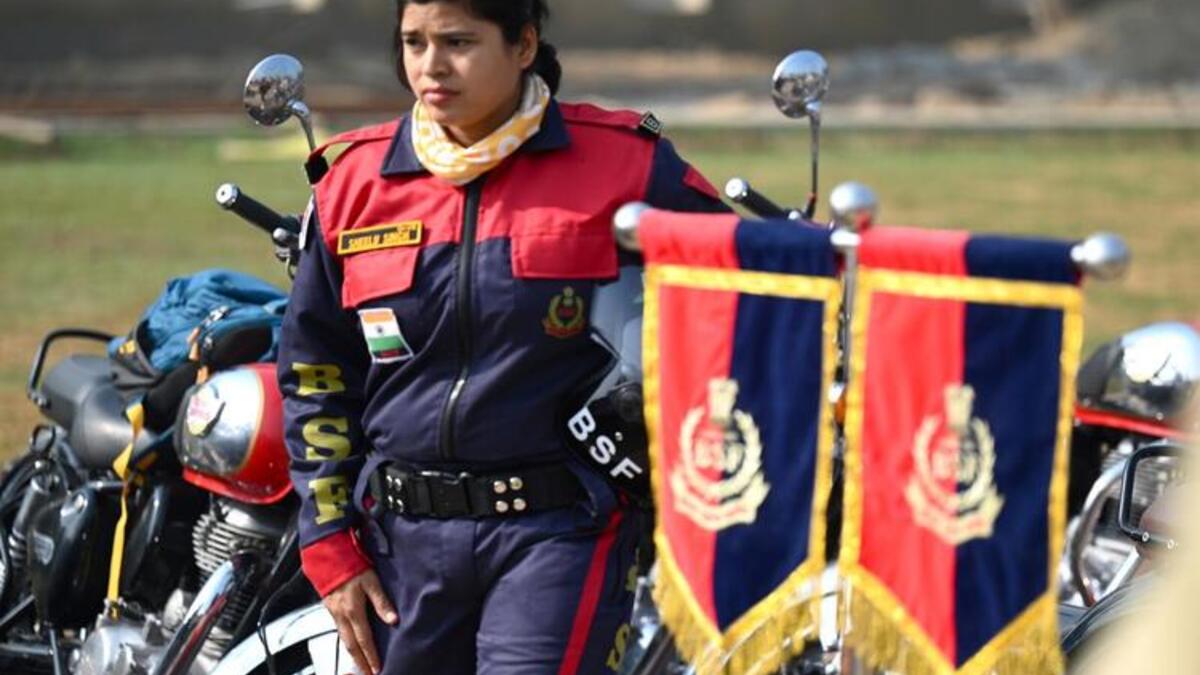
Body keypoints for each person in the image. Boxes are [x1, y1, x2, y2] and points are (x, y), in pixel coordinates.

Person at [277, 0, 727, 673]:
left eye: (458, 41)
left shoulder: (627, 165)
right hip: (399, 543)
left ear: (523, 45)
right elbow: (316, 373)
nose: (431, 65)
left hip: (558, 529)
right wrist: (331, 540)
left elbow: (741, 281)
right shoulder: (352, 185)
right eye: (414, 41)